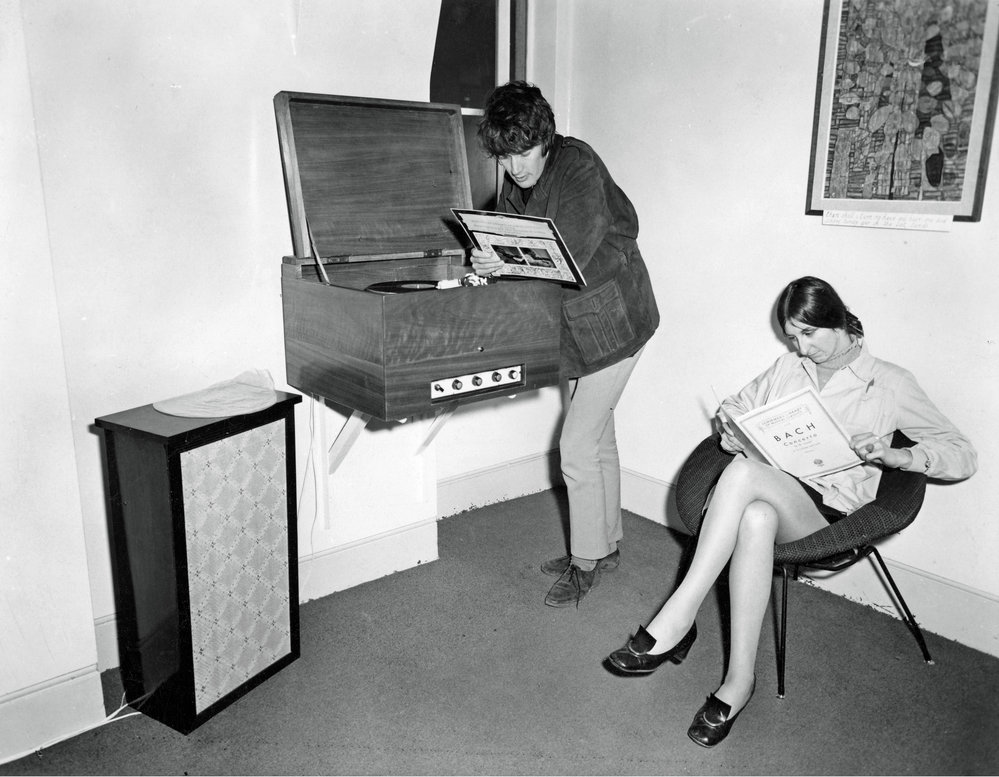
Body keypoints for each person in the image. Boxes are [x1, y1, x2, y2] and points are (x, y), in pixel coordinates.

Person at [604, 276, 977, 747]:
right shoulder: (788, 366)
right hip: (774, 496)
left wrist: (901, 457)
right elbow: (736, 405)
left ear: (838, 322)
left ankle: (677, 617)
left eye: (810, 334)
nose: (802, 347)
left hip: (830, 513)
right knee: (755, 514)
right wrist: (734, 431)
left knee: (741, 475)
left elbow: (961, 453)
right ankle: (739, 684)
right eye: (793, 337)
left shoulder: (890, 382)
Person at [470, 81, 660, 608]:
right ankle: (606, 546)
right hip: (576, 327)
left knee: (575, 447)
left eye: (525, 151)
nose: (516, 167)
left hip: (617, 320)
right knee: (599, 441)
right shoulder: (514, 183)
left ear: (545, 140)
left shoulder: (578, 165)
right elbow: (514, 245)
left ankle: (584, 563)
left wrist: (503, 259)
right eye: (506, 156)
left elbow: (562, 254)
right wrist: (492, 260)